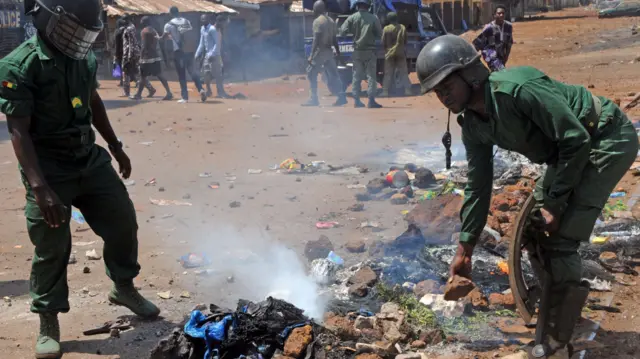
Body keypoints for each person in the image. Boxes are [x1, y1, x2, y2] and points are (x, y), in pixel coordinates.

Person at [416, 34, 638, 359]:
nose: (443, 97)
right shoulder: (474, 125)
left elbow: (575, 138)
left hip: (603, 138)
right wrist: (465, 248)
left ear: (470, 74)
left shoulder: (516, 90)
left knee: (560, 239)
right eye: (437, 91)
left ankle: (557, 342)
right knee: (534, 230)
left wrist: (555, 202)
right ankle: (550, 305)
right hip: (564, 155)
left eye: (447, 86)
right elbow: (478, 185)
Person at [0, 0, 161, 357]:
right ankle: (48, 318)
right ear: (48, 17)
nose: (77, 39)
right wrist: (40, 188)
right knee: (52, 246)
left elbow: (93, 101)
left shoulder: (82, 57)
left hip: (88, 159)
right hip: (48, 169)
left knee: (122, 220)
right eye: (71, 29)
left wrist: (116, 146)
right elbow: (18, 133)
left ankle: (123, 285)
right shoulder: (19, 66)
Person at [302, 0, 347, 107]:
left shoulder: (317, 21)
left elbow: (316, 39)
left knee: (311, 73)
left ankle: (314, 98)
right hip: (329, 51)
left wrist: (311, 55)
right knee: (334, 75)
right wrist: (338, 52)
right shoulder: (331, 21)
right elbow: (335, 39)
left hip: (320, 51)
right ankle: (342, 97)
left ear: (316, 9)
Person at [339, 0, 383, 108]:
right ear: (368, 6)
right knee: (371, 76)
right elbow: (380, 34)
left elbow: (342, 31)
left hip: (357, 51)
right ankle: (371, 101)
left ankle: (357, 101)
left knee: (356, 76)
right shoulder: (374, 18)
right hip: (370, 51)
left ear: (357, 6)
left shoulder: (352, 18)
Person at [163, 6, 207, 103]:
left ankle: (185, 97)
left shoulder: (168, 25)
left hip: (178, 52)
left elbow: (166, 38)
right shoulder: (186, 21)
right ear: (178, 12)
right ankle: (201, 89)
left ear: (171, 13)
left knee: (181, 74)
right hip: (189, 50)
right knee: (192, 72)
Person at [133, 16, 173, 101]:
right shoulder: (153, 30)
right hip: (155, 57)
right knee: (159, 75)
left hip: (146, 57)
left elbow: (144, 46)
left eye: (141, 21)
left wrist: (141, 57)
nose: (140, 22)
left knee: (143, 76)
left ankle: (138, 95)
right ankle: (169, 93)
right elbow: (159, 40)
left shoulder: (144, 31)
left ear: (144, 22)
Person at [196, 14, 231, 99]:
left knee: (218, 75)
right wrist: (198, 53)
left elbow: (219, 44)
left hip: (215, 55)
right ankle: (209, 91)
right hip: (210, 55)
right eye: (225, 23)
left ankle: (220, 92)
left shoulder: (218, 30)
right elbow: (204, 43)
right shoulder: (212, 29)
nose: (226, 25)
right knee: (207, 74)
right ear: (220, 22)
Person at [472, 5, 513, 72]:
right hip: (490, 54)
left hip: (501, 54)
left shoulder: (508, 26)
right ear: (494, 15)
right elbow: (478, 43)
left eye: (503, 13)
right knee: (501, 71)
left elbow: (509, 43)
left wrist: (506, 56)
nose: (501, 15)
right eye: (499, 13)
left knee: (498, 72)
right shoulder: (489, 28)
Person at [122, 16, 154, 98]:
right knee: (137, 73)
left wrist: (129, 56)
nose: (124, 21)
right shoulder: (130, 27)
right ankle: (150, 89)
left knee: (127, 71)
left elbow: (131, 42)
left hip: (130, 53)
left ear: (128, 20)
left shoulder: (129, 28)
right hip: (132, 52)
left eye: (125, 20)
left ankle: (127, 92)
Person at [381, 12, 412, 97]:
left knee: (388, 73)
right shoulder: (402, 27)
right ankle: (408, 90)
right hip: (400, 53)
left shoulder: (386, 28)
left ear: (388, 19)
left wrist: (387, 50)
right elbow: (406, 41)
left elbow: (383, 41)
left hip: (389, 53)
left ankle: (385, 92)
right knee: (403, 72)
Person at [113, 18, 126, 87]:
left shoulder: (118, 32)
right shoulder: (125, 31)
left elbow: (116, 44)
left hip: (119, 52)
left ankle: (122, 81)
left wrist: (116, 54)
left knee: (121, 67)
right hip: (125, 51)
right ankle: (122, 81)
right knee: (123, 67)